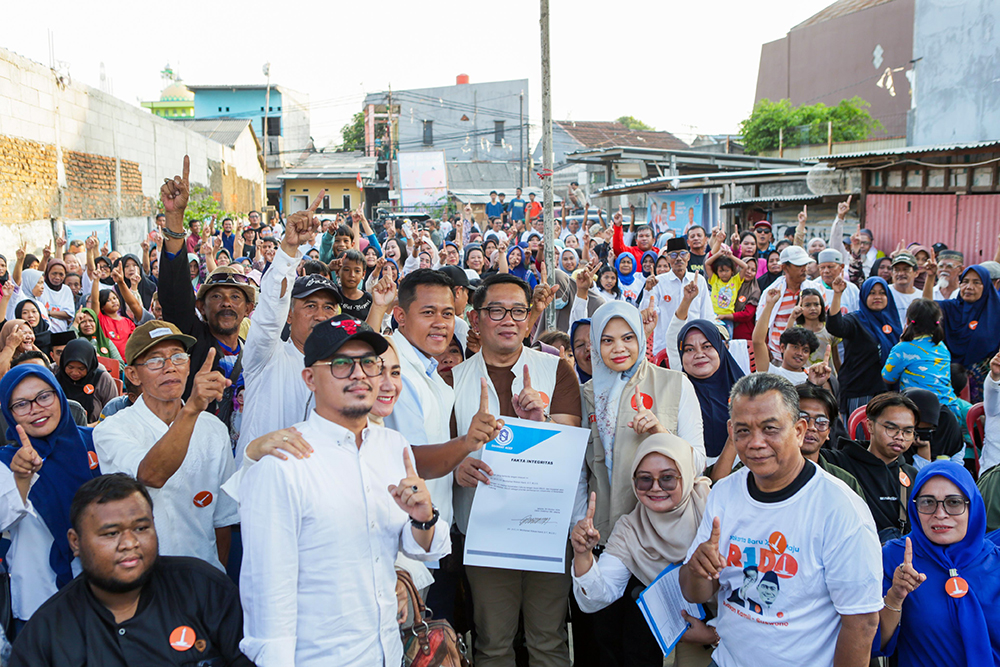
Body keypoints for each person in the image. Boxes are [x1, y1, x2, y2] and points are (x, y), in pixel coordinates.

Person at [238, 315, 450, 667]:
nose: (359, 375)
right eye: (340, 364)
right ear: (310, 378)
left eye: (369, 363)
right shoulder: (284, 462)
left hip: (387, 650)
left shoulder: (392, 446)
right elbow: (267, 595)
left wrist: (423, 518)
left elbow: (422, 549)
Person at [679, 373, 882, 667]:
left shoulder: (840, 508)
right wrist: (698, 569)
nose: (755, 443)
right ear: (730, 431)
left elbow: (862, 623)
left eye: (770, 428)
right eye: (743, 430)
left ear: (799, 431)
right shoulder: (724, 492)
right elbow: (694, 591)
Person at [452, 273, 582, 667]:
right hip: (483, 531)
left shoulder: (556, 370)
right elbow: (441, 453)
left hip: (546, 529)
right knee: (492, 643)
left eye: (518, 311)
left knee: (549, 640)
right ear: (475, 319)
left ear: (529, 320)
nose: (508, 319)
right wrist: (457, 467)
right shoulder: (452, 379)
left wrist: (538, 423)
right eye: (496, 310)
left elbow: (567, 454)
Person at [9, 473, 253, 666]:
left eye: (141, 528)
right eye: (111, 533)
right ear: (76, 542)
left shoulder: (203, 588)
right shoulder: (47, 633)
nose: (129, 543)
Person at [93, 321, 239, 571]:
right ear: (133, 375)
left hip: (203, 581)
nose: (169, 367)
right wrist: (192, 408)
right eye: (155, 361)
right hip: (144, 582)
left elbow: (222, 520)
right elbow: (150, 474)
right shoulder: (112, 430)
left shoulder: (213, 429)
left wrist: (216, 579)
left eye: (178, 357)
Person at [571, 435, 715, 666]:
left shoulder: (712, 509)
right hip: (682, 624)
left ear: (686, 475)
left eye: (667, 478)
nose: (656, 488)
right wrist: (583, 555)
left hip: (732, 625)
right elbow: (598, 597)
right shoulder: (631, 527)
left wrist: (716, 632)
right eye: (644, 479)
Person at [583, 300, 705, 538]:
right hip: (601, 531)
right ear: (595, 344)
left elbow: (698, 462)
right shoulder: (586, 393)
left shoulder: (676, 384)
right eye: (607, 340)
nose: (619, 348)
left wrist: (660, 434)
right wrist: (579, 521)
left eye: (628, 338)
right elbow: (580, 474)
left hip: (661, 533)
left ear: (640, 337)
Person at [158, 157, 256, 446]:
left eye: (235, 297)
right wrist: (175, 219)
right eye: (216, 297)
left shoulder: (255, 355)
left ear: (248, 309)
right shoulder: (191, 340)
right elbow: (175, 293)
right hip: (196, 454)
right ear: (200, 306)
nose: (227, 303)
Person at [237, 194, 341, 461]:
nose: (320, 315)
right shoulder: (267, 356)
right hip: (262, 492)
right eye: (310, 306)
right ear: (290, 315)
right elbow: (271, 308)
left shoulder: (341, 370)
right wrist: (288, 249)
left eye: (328, 308)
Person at [0, 364, 101, 627]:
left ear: (59, 394)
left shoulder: (96, 443)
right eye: (21, 404)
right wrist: (22, 479)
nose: (36, 409)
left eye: (44, 396)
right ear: (9, 414)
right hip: (39, 605)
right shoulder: (5, 463)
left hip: (105, 598)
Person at [874, 461, 1000, 666]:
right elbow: (875, 643)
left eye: (954, 502)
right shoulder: (896, 557)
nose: (940, 514)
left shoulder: (995, 560)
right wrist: (895, 597)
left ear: (973, 506)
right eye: (927, 502)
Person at [823, 392, 920, 541]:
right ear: (870, 426)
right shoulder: (836, 462)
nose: (899, 436)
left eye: (907, 431)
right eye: (891, 428)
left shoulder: (913, 476)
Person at [883, 298, 971, 424]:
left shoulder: (903, 349)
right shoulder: (942, 347)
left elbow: (888, 378)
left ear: (907, 321)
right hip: (951, 413)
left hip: (922, 416)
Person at [827, 276, 901, 419]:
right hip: (860, 391)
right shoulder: (856, 320)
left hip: (887, 391)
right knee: (860, 437)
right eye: (872, 293)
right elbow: (835, 327)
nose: (877, 297)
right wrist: (837, 294)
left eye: (882, 293)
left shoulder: (894, 321)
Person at [928, 264, 1000, 404]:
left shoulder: (996, 312)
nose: (969, 287)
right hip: (949, 381)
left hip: (988, 384)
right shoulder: (950, 308)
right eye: (965, 282)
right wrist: (931, 277)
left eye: (976, 282)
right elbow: (926, 307)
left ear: (986, 286)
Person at [647, 237, 714, 356]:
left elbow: (707, 315)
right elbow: (648, 313)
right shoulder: (658, 282)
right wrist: (647, 290)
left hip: (694, 346)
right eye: (673, 255)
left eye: (683, 254)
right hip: (665, 345)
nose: (678, 258)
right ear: (667, 258)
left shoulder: (699, 281)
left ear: (688, 256)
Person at [795, 383, 864, 497]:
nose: (811, 427)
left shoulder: (844, 482)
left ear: (828, 432)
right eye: (803, 418)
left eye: (821, 422)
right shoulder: (765, 474)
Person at [758, 245, 824, 363]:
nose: (804, 269)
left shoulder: (817, 289)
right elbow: (761, 322)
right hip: (778, 357)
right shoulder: (772, 292)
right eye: (799, 266)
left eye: (805, 265)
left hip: (810, 358)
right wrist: (765, 348)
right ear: (785, 267)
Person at [54, 339, 117, 424]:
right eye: (70, 367)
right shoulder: (57, 379)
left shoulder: (102, 379)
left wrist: (90, 427)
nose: (75, 373)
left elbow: (113, 413)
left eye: (81, 369)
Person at [704, 246, 747, 336]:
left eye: (727, 270)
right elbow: (707, 264)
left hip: (728, 317)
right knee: (713, 338)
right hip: (714, 316)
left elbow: (744, 266)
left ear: (732, 271)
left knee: (728, 339)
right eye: (721, 271)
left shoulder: (735, 281)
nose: (724, 273)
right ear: (717, 272)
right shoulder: (714, 280)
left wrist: (731, 256)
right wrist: (718, 254)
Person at [816, 248, 859, 315]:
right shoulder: (813, 287)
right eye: (822, 267)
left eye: (830, 267)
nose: (826, 271)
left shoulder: (852, 289)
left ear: (841, 267)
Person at [40, 259, 75, 334]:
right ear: (47, 272)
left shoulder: (66, 290)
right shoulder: (42, 287)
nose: (57, 277)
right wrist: (59, 314)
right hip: (44, 332)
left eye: (61, 274)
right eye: (54, 273)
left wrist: (48, 312)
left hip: (61, 332)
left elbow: (69, 314)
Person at [888, 251, 921, 325]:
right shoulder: (885, 293)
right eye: (897, 270)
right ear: (891, 273)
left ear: (916, 273)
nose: (901, 273)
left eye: (906, 269)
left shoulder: (921, 296)